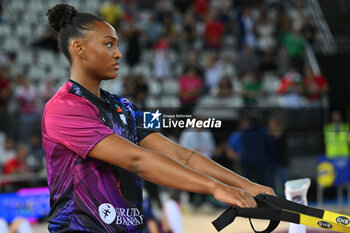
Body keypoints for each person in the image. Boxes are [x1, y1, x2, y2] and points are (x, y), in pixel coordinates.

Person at [42, 4, 274, 233]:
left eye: (117, 45)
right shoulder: (63, 107)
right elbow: (137, 160)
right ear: (78, 48)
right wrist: (215, 188)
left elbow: (181, 155)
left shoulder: (126, 107)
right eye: (108, 44)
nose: (118, 53)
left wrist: (248, 186)